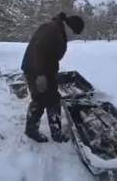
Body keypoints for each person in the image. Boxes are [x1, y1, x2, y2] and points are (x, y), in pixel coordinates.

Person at [20, 12, 85, 143]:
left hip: (47, 70)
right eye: (75, 33)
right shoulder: (53, 30)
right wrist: (40, 76)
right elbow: (38, 49)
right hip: (35, 69)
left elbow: (51, 54)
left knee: (54, 99)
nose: (74, 37)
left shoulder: (59, 30)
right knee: (39, 99)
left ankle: (56, 132)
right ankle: (31, 131)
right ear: (71, 27)